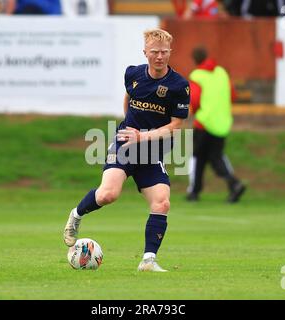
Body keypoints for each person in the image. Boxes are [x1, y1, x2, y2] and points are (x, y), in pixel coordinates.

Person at [63, 29, 190, 272]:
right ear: (146, 53)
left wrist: (143, 136)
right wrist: (129, 126)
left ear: (170, 52)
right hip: (126, 145)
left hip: (151, 151)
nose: (160, 57)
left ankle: (148, 261)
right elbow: (129, 98)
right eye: (154, 52)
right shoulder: (133, 73)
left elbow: (176, 125)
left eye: (164, 52)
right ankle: (76, 216)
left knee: (162, 203)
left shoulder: (179, 85)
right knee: (108, 195)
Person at [186, 46, 246, 203]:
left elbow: (194, 100)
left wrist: (188, 113)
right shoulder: (221, 72)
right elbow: (233, 95)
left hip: (204, 123)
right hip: (222, 123)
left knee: (204, 158)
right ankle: (196, 192)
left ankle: (233, 183)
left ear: (194, 60)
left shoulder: (197, 75)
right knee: (208, 157)